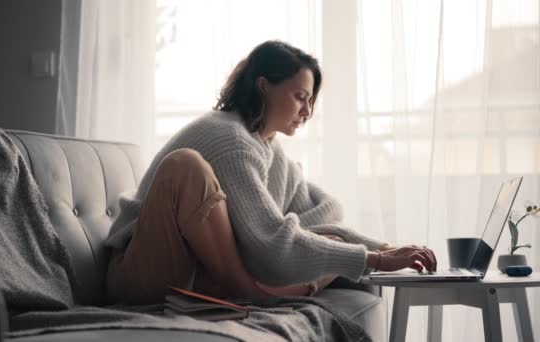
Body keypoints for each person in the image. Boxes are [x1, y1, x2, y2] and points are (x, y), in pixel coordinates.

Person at [104, 40, 437, 305]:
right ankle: (251, 292)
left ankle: (261, 289)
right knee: (186, 165)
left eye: (311, 101)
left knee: (329, 240)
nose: (307, 111)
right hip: (143, 269)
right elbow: (270, 246)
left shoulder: (267, 146)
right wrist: (375, 260)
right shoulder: (229, 139)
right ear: (264, 86)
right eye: (300, 97)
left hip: (195, 271)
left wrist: (386, 249)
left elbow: (319, 211)